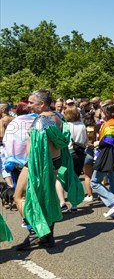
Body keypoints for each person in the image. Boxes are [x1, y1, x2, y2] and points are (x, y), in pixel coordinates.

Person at [14, 90, 83, 250]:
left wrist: (27, 164)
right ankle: (48, 237)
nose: (29, 105)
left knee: (19, 196)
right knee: (48, 199)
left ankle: (36, 231)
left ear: (42, 103)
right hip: (54, 162)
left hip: (39, 164)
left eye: (31, 102)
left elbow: (35, 151)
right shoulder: (58, 117)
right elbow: (60, 142)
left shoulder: (41, 121)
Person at [91, 102, 114, 219]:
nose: (100, 114)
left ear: (105, 113)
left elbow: (109, 140)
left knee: (95, 182)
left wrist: (97, 143)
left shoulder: (109, 124)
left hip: (108, 155)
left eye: (102, 112)